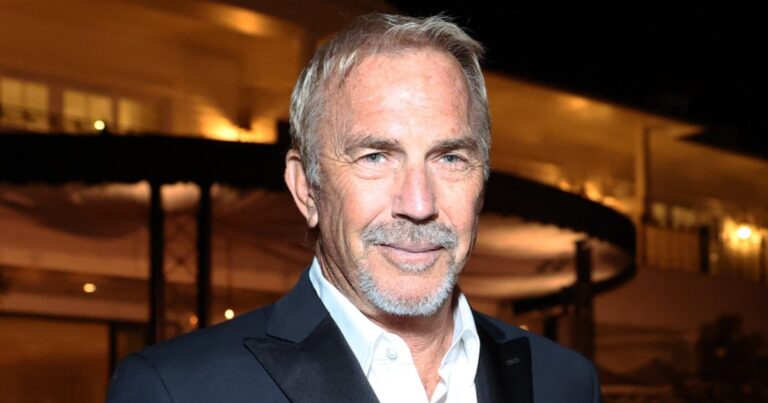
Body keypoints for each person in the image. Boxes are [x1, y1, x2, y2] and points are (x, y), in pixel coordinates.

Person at [107, 13, 601, 403]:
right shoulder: (177, 389)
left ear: (482, 181)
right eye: (375, 157)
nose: (419, 204)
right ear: (306, 188)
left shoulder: (564, 382)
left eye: (450, 158)